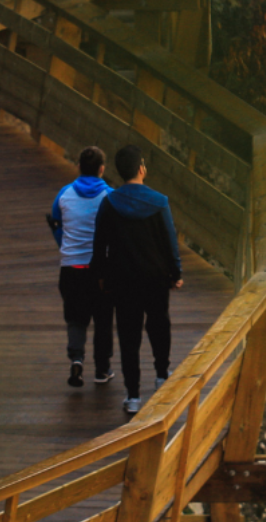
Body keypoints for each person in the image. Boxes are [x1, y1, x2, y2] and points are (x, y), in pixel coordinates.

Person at [92, 144, 182, 414]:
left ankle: (132, 395)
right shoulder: (159, 202)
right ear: (142, 169)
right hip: (155, 278)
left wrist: (100, 276)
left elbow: (100, 245)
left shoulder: (109, 204)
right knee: (159, 326)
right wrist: (175, 272)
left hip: (123, 280)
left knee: (129, 337)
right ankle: (162, 375)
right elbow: (170, 240)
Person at [51, 146, 116, 388]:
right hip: (101, 270)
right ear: (101, 169)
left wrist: (63, 244)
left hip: (71, 267)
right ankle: (102, 369)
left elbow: (57, 224)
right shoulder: (110, 196)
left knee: (76, 319)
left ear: (78, 167)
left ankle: (76, 359)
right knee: (103, 319)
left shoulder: (64, 194)